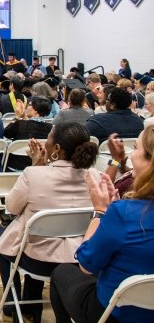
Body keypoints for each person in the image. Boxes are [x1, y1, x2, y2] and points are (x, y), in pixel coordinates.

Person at [50, 126, 154, 323]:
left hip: (117, 313)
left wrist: (100, 212)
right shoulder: (124, 210)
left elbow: (86, 265)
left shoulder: (124, 213)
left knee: (62, 272)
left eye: (137, 149)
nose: (131, 155)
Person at [0, 122, 99, 321]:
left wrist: (36, 166)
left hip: (39, 262)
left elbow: (11, 207)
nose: (46, 141)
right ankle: (30, 306)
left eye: (49, 138)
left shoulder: (33, 174)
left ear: (57, 148)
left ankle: (12, 302)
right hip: (80, 260)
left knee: (4, 232)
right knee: (34, 235)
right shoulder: (95, 176)